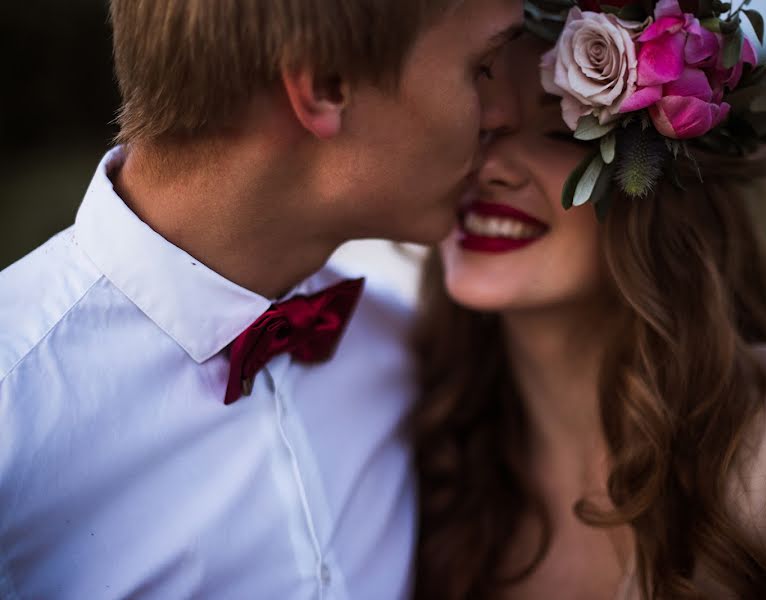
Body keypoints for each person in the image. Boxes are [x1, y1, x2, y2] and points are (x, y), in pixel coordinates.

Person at [0, 1, 524, 598]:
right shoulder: (14, 415)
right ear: (326, 85)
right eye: (482, 67)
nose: (505, 113)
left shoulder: (405, 350)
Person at [410, 2, 766, 598]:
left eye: (563, 129)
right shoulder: (416, 458)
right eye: (476, 126)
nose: (487, 169)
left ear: (663, 181)